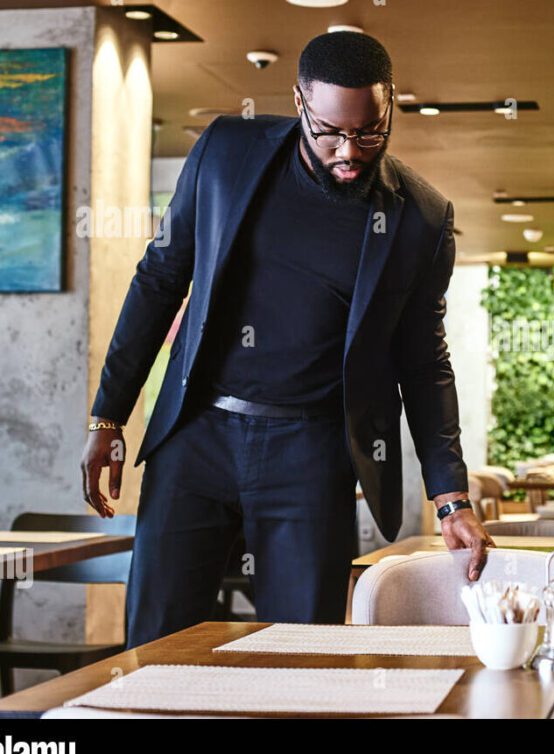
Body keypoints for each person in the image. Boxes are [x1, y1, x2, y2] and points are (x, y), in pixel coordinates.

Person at [80, 31, 494, 648]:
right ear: (299, 100)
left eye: (370, 133)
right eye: (329, 133)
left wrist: (451, 497)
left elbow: (424, 362)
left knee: (302, 649)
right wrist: (108, 415)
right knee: (156, 642)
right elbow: (160, 279)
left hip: (311, 451)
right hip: (197, 436)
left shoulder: (421, 218)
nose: (348, 152)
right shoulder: (226, 152)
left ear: (391, 105)